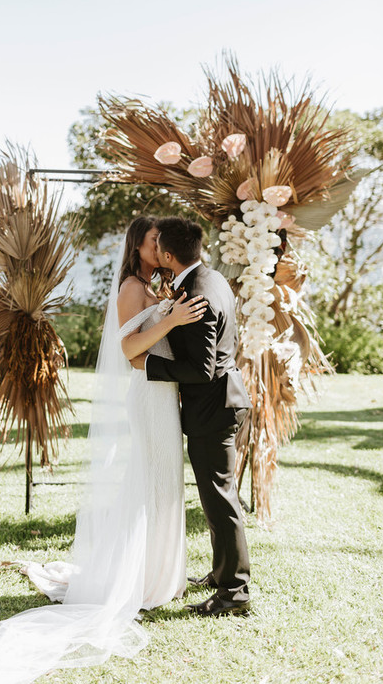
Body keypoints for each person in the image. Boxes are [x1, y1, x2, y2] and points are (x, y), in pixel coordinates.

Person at [0, 215, 206, 684]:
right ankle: (142, 579)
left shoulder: (153, 285)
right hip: (149, 396)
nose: (161, 246)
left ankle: (159, 573)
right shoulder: (132, 286)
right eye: (153, 240)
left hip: (164, 395)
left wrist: (169, 313)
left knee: (163, 480)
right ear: (140, 246)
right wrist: (169, 319)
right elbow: (130, 350)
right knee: (152, 479)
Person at [131, 215, 252, 617]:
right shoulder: (211, 279)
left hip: (213, 409)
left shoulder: (196, 294)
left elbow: (201, 369)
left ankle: (234, 593)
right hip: (221, 402)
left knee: (220, 500)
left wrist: (148, 366)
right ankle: (221, 575)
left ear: (167, 255)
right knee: (217, 496)